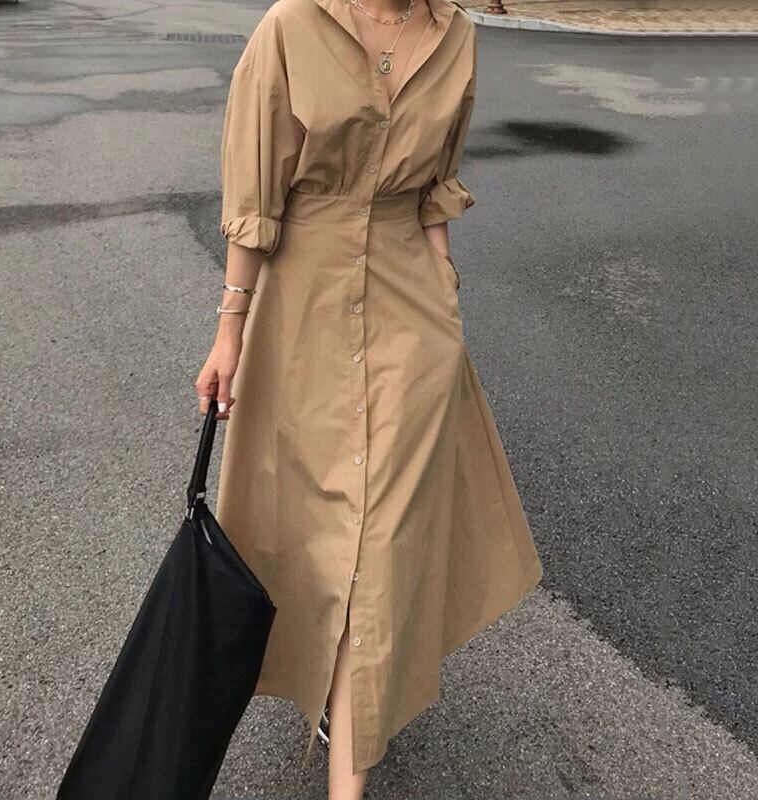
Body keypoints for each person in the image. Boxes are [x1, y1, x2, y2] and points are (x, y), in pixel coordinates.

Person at [195, 0, 544, 796]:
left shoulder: (458, 38)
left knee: (379, 540)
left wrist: (444, 289)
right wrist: (229, 331)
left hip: (410, 318)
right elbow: (255, 191)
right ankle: (335, 680)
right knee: (320, 524)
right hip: (302, 307)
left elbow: (435, 188)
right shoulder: (291, 27)